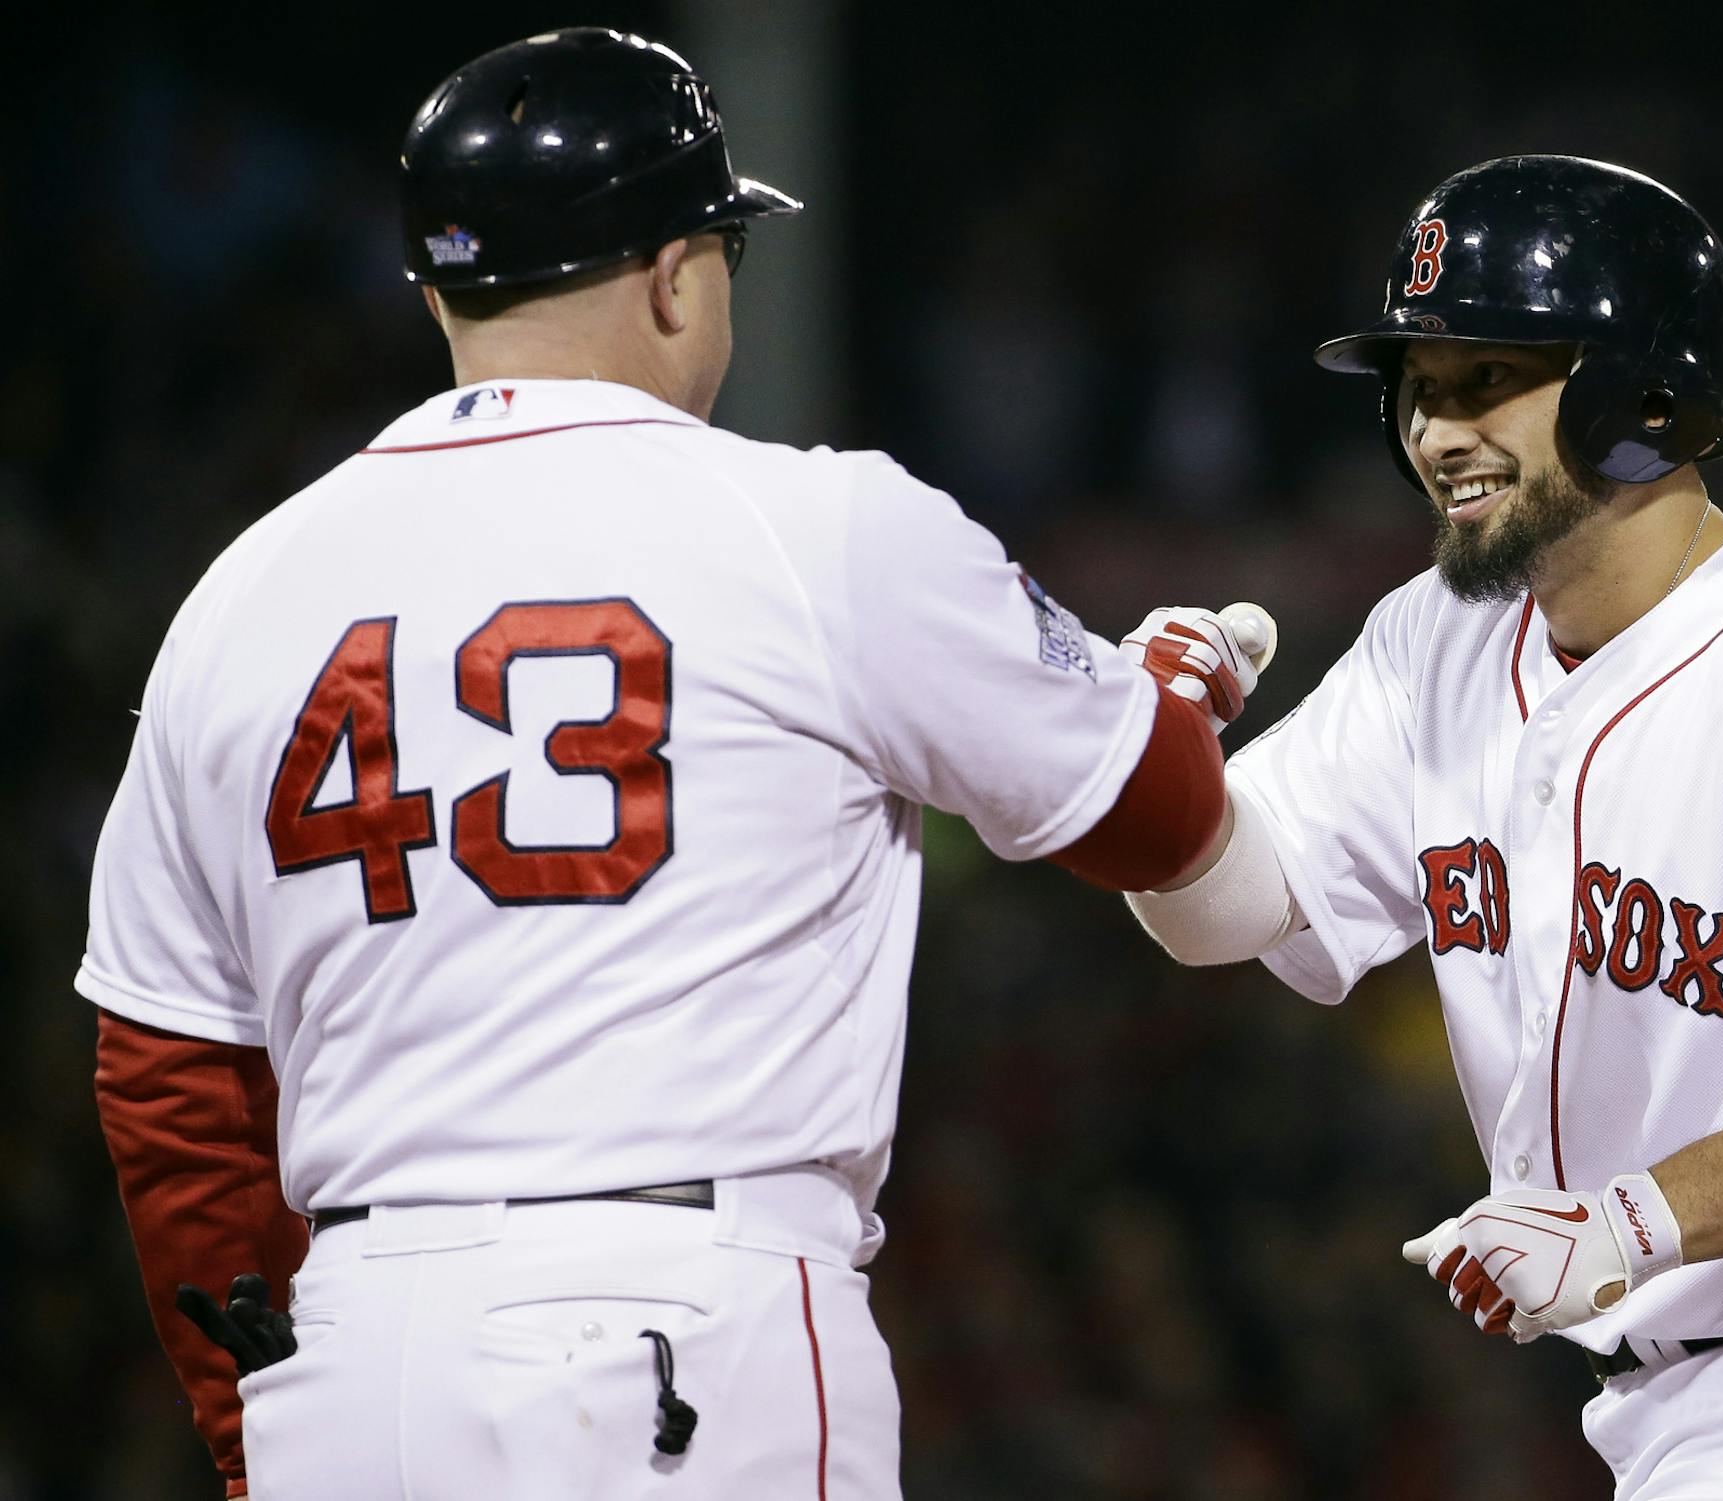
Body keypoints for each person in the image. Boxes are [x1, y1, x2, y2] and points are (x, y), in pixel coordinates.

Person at [82, 28, 1259, 1500]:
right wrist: (1175, 676)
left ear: (443, 287)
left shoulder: (238, 595)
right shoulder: (816, 526)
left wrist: (258, 1423)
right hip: (692, 1328)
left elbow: (168, 1073)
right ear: (673, 273)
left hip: (357, 1351)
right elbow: (1161, 818)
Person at [1121, 155, 1723, 1497]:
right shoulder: (1429, 643)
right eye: (1421, 391)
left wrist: (1639, 1216)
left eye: (1488, 379)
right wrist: (1147, 770)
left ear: (1644, 397)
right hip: (1676, 1406)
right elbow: (1220, 910)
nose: (1437, 432)